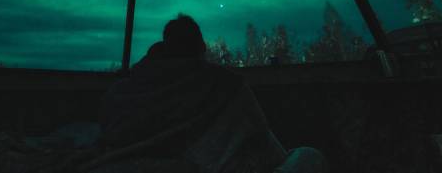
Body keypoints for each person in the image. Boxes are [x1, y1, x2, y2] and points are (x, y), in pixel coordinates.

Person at [81, 14, 328, 173]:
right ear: (199, 47)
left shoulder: (123, 89)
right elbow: (266, 144)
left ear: (164, 46)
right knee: (308, 157)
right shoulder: (225, 84)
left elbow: (108, 130)